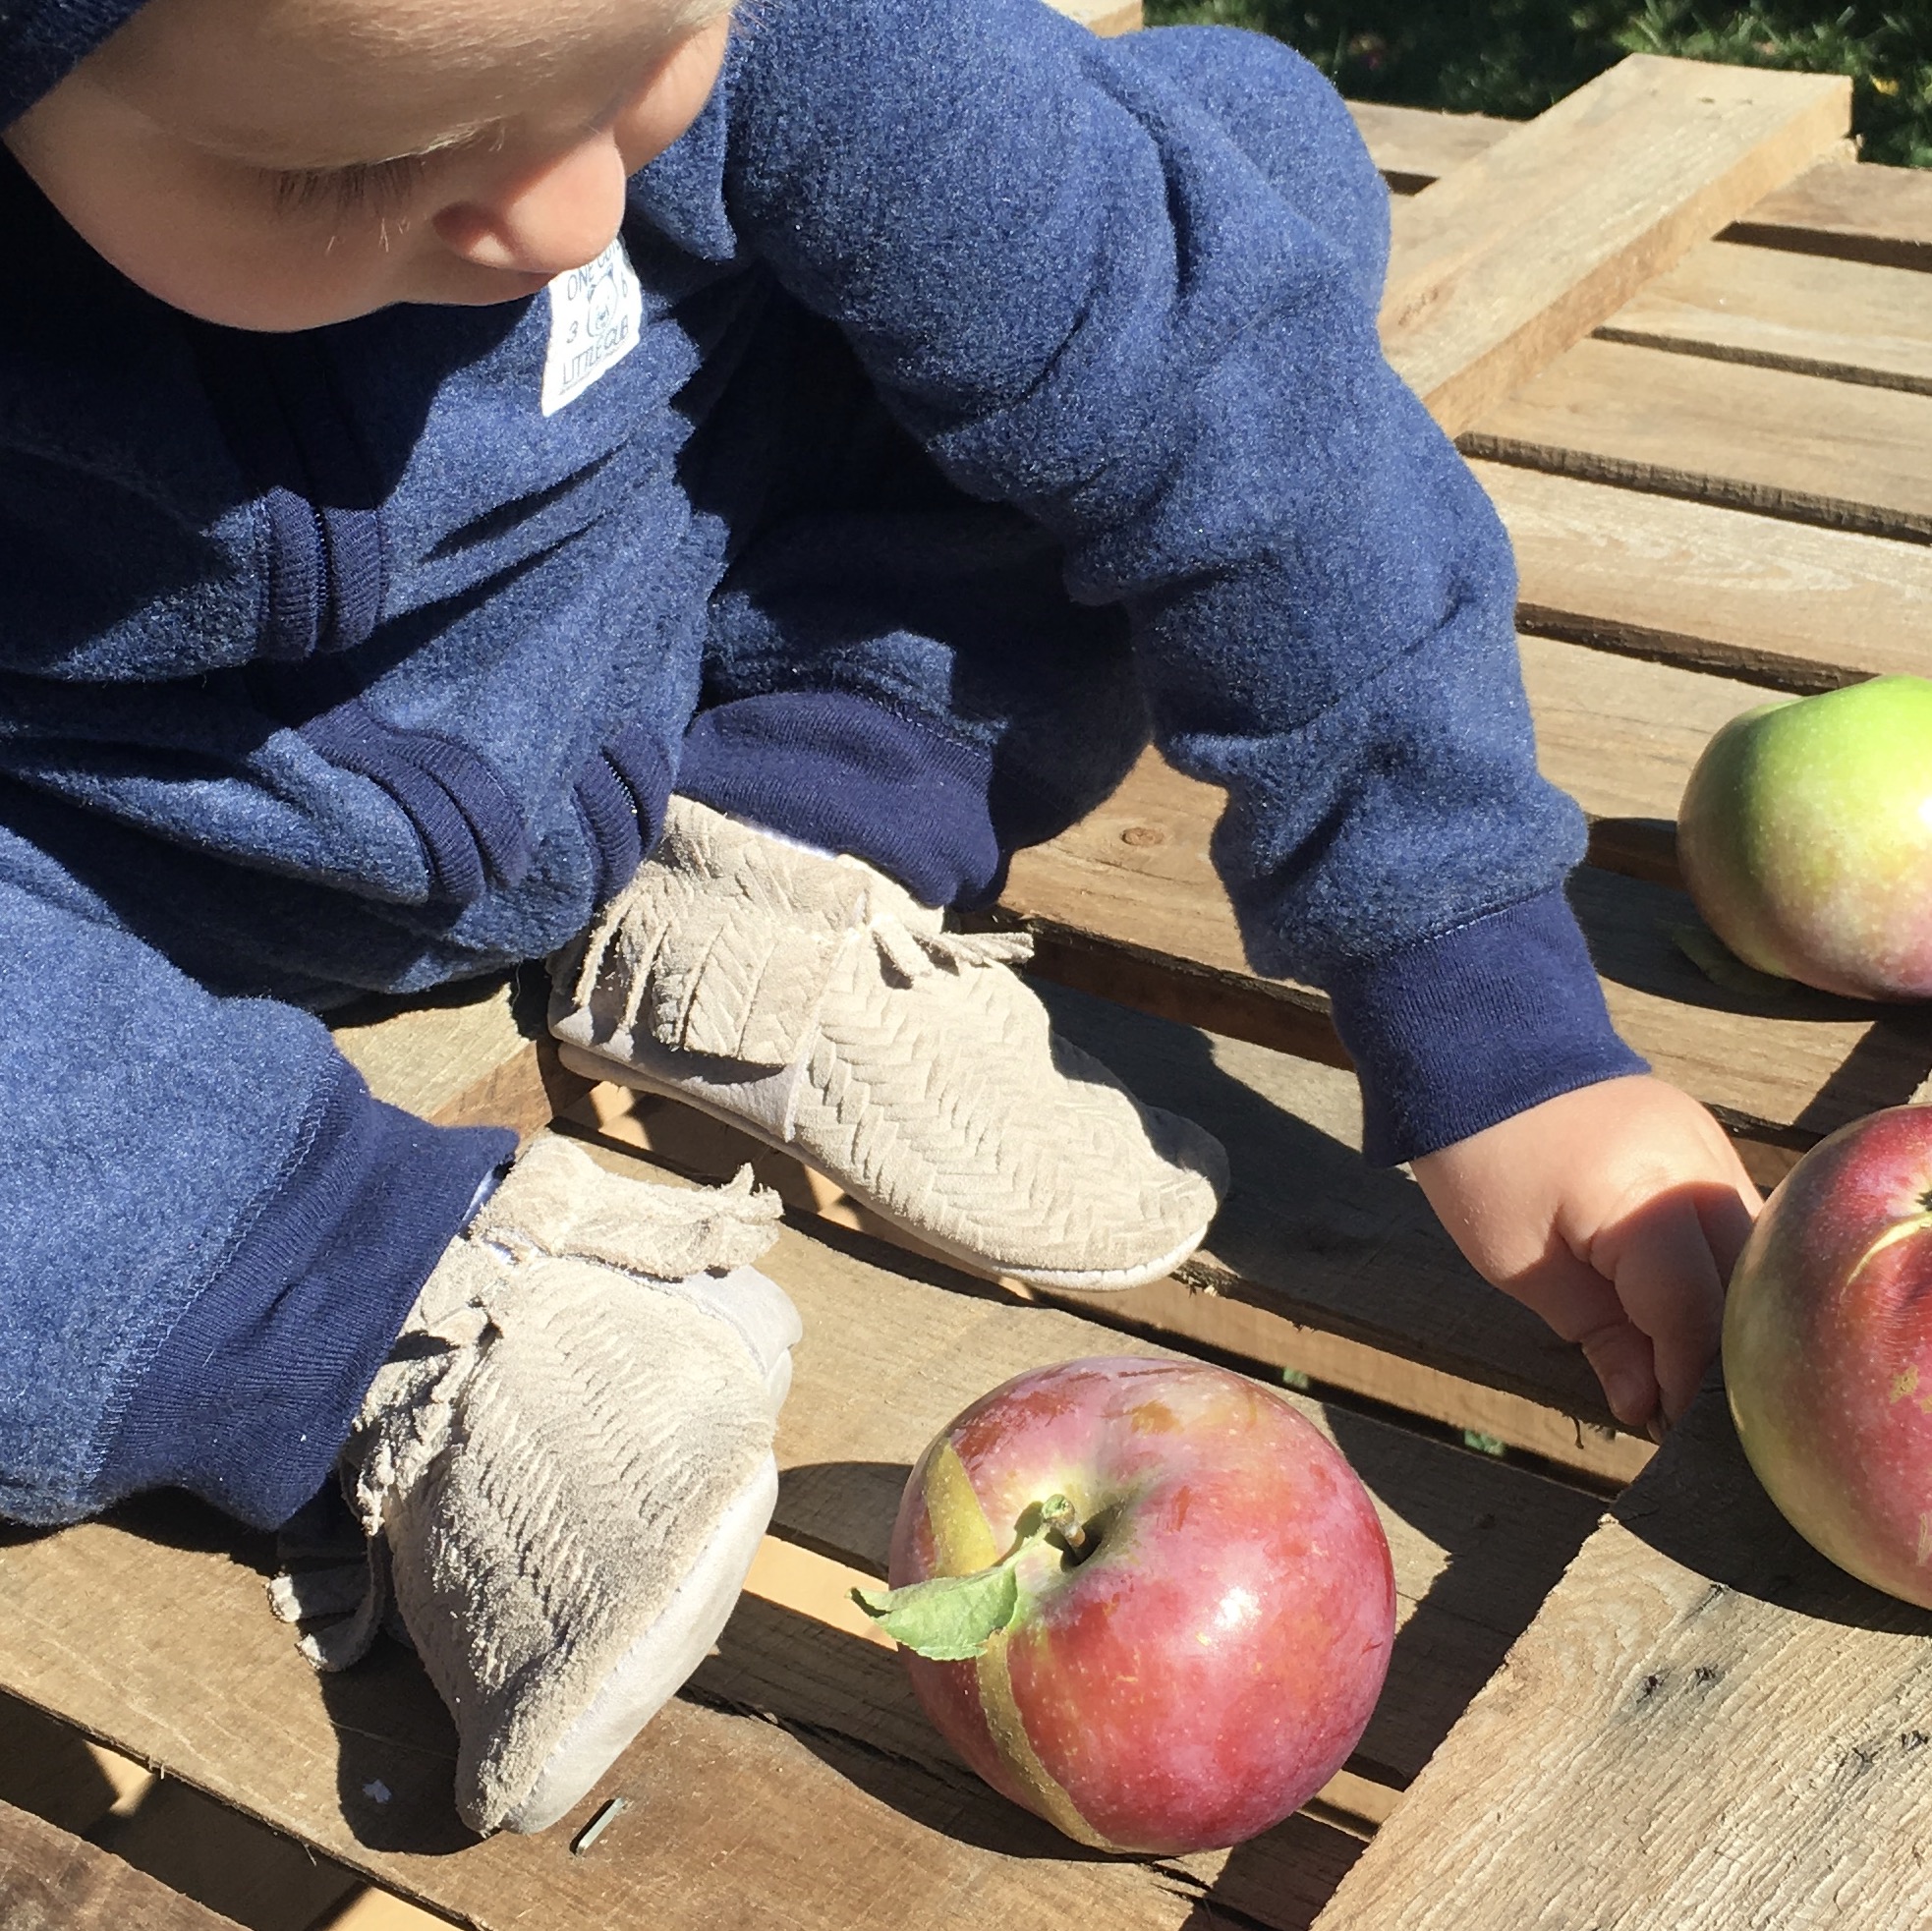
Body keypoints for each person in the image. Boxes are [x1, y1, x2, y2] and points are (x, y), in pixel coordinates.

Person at [0, 0, 1759, 1833]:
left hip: (663, 647)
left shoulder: (783, 38)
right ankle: (372, 1305)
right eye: (346, 169)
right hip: (124, 895)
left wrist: (1480, 996)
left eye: (636, 66)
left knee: (1222, 160)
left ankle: (785, 849)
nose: (566, 218)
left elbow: (1215, 386)